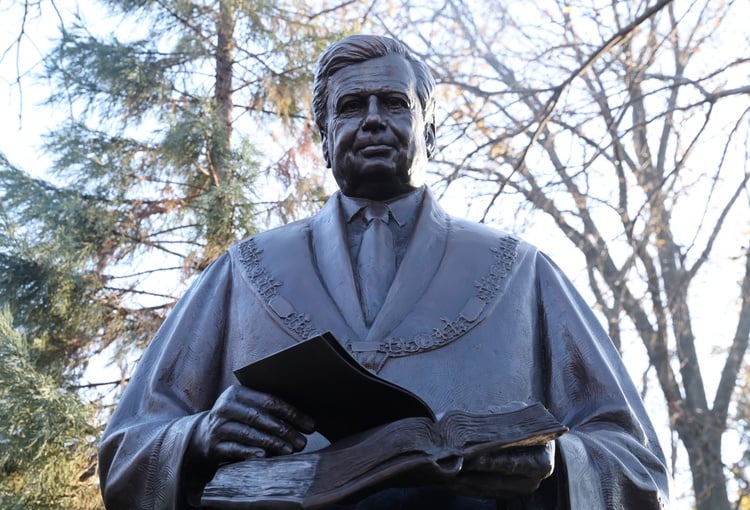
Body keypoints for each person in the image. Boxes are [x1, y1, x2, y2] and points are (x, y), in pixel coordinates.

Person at [99, 35, 670, 509]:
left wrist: (557, 464)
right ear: (323, 138)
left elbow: (636, 463)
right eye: (350, 108)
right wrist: (196, 437)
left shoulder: (524, 273)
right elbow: (127, 450)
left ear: (431, 130)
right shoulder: (243, 272)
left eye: (394, 104)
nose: (372, 121)